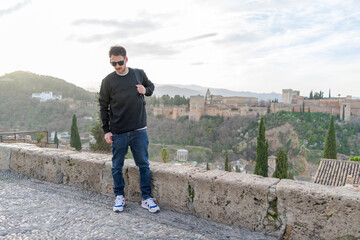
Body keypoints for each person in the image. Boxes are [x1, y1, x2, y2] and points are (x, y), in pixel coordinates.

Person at [99, 45, 160, 213]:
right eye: (113, 64)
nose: (117, 66)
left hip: (139, 130)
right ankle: (119, 196)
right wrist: (107, 130)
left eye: (119, 62)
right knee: (116, 166)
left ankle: (146, 198)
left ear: (126, 59)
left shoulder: (138, 73)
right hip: (118, 132)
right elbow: (103, 107)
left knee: (144, 165)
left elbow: (151, 87)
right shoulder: (108, 81)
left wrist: (145, 90)